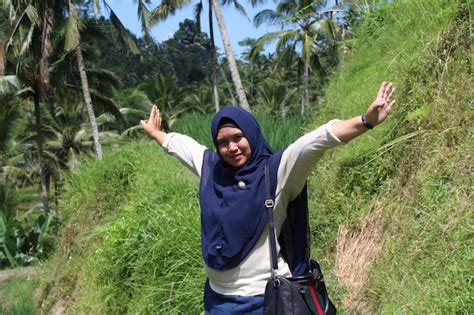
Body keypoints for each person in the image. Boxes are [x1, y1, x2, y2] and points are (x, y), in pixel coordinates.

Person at [140, 82, 396, 314]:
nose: (232, 148)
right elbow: (181, 145)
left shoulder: (276, 171)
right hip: (217, 300)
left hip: (266, 301)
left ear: (250, 134)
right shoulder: (212, 168)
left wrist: (366, 120)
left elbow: (315, 141)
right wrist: (156, 133)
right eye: (223, 142)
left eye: (238, 138)